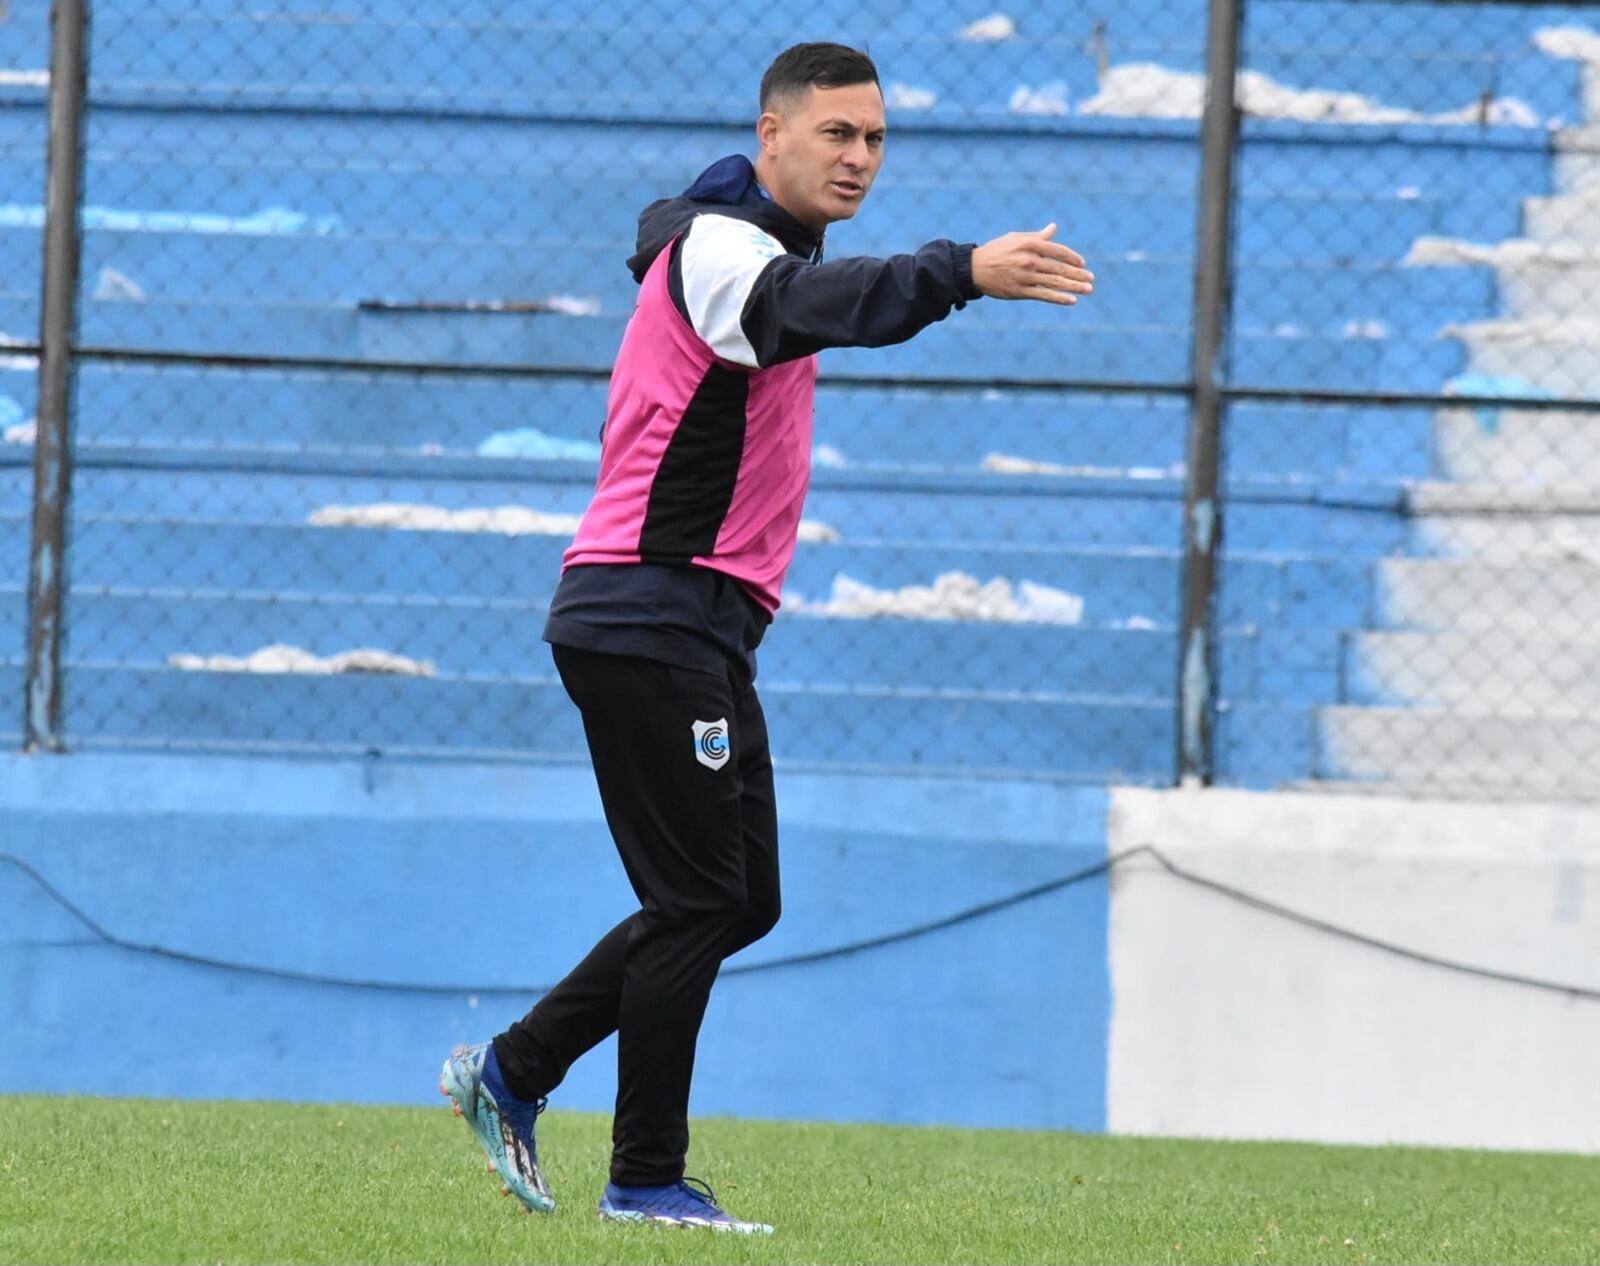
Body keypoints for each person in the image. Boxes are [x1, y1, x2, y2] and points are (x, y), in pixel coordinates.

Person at [438, 40, 1093, 1234]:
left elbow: (804, 304)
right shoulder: (718, 247)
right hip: (647, 612)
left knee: (741, 900)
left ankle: (515, 1071)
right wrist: (960, 271)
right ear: (771, 134)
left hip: (695, 626)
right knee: (696, 902)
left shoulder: (761, 243)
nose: (859, 158)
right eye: (837, 134)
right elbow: (794, 312)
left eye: (877, 139)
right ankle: (642, 1179)